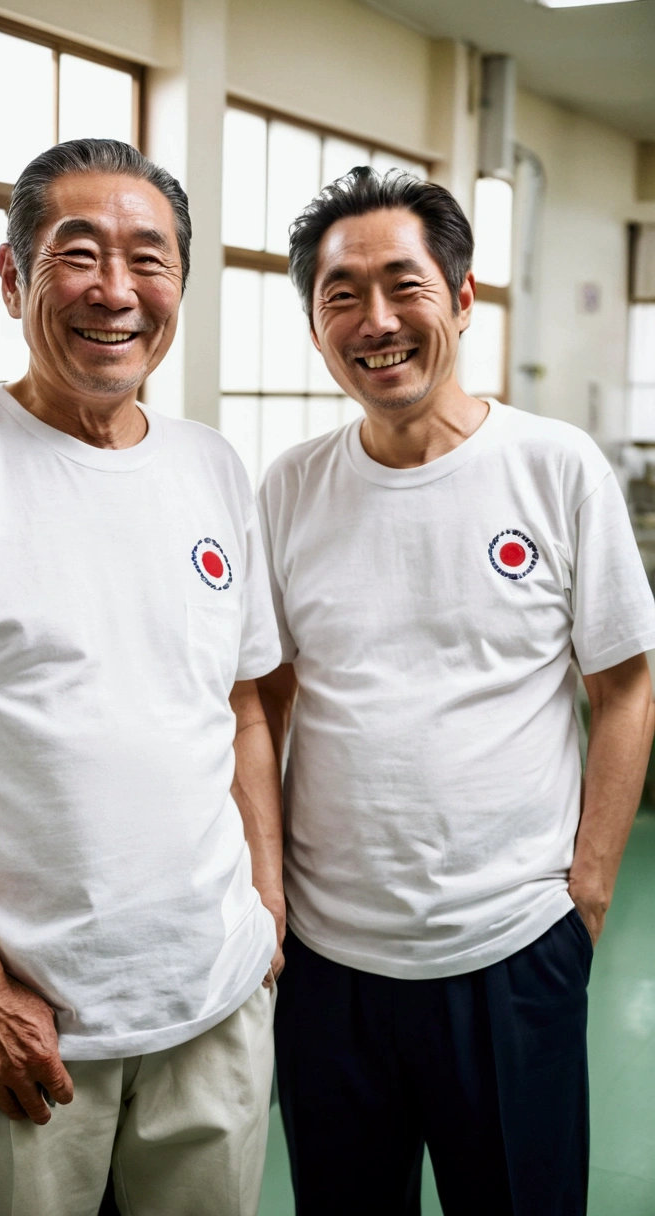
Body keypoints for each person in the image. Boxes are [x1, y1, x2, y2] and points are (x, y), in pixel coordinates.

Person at [0, 139, 285, 1216]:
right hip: (29, 1020)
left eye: (147, 258)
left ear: (178, 283)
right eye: (78, 254)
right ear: (12, 277)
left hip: (215, 996)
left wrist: (263, 902)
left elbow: (242, 706)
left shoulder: (210, 464)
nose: (114, 291)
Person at [256, 167, 655, 1216]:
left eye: (403, 285)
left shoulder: (554, 468)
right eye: (341, 295)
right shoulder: (288, 486)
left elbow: (622, 685)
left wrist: (588, 894)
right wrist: (266, 895)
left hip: (511, 949)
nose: (375, 321)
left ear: (463, 298)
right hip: (330, 966)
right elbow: (271, 700)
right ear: (314, 323)